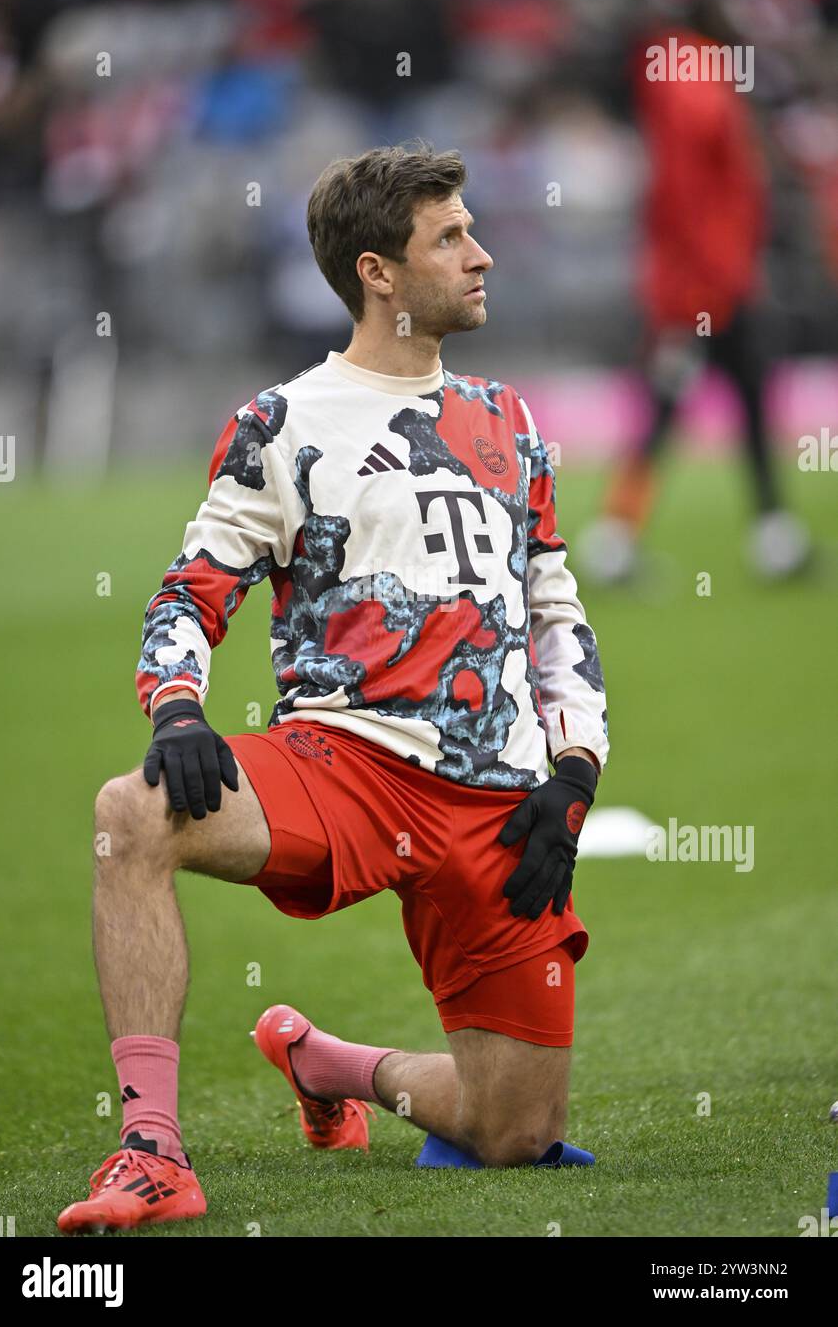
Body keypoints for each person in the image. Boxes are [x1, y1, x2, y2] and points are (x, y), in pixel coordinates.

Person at [57, 144, 609, 1233]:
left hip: (499, 801)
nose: (480, 253)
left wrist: (576, 766)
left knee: (514, 1134)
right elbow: (190, 589)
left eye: (471, 229)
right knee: (131, 816)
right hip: (341, 764)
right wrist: (175, 704)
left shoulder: (512, 420)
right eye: (449, 237)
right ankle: (150, 1152)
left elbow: (554, 609)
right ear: (379, 273)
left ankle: (326, 1065)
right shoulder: (284, 421)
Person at [578, 19, 810, 583]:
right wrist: (715, 280)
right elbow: (694, 201)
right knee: (686, 406)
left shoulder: (675, 82)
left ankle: (770, 533)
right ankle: (619, 538)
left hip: (705, 286)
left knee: (722, 399)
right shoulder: (698, 82)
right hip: (707, 290)